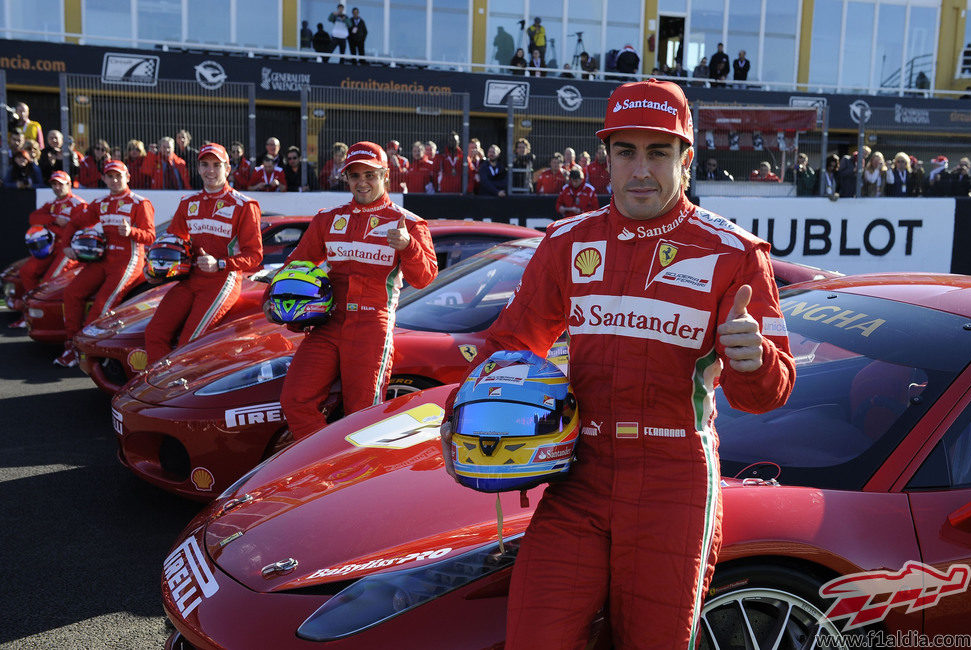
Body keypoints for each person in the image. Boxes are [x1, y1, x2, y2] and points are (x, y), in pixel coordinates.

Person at [441, 79, 795, 649]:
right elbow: (508, 346)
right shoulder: (566, 243)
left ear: (686, 157)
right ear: (605, 157)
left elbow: (767, 396)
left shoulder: (734, 254)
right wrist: (475, 411)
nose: (640, 170)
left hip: (673, 480)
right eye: (626, 151)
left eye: (658, 152)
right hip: (578, 474)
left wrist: (753, 364)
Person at [273, 141, 437, 439]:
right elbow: (295, 264)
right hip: (328, 323)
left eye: (370, 175)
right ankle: (323, 466)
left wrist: (409, 247)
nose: (362, 182)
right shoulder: (328, 218)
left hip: (371, 326)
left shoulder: (408, 224)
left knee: (362, 417)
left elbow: (425, 277)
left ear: (386, 175)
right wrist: (274, 301)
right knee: (295, 400)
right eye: (354, 175)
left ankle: (355, 480)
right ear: (346, 177)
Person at [145, 143, 263, 363]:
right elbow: (173, 243)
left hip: (222, 280)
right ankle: (160, 389)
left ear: (228, 169)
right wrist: (153, 269)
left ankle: (178, 392)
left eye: (217, 165)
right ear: (198, 169)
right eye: (205, 164)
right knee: (154, 332)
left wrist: (220, 263)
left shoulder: (245, 205)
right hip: (190, 280)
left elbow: (254, 256)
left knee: (188, 345)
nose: (210, 170)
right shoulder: (188, 203)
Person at [58, 160, 155, 367]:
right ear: (104, 179)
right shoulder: (101, 202)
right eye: (110, 176)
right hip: (103, 259)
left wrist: (132, 232)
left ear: (128, 177)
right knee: (72, 292)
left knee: (102, 304)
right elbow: (75, 222)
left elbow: (151, 237)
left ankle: (85, 352)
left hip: (128, 261)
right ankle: (71, 346)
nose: (114, 180)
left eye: (118, 176)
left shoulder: (140, 202)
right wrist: (66, 245)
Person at [13, 171, 87, 326]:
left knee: (48, 283)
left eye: (60, 184)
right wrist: (54, 219)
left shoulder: (78, 204)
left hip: (69, 249)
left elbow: (83, 228)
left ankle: (43, 318)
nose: (57, 187)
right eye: (54, 184)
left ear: (69, 184)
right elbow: (33, 218)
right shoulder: (53, 204)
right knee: (26, 271)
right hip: (51, 247)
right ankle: (30, 312)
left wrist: (59, 226)